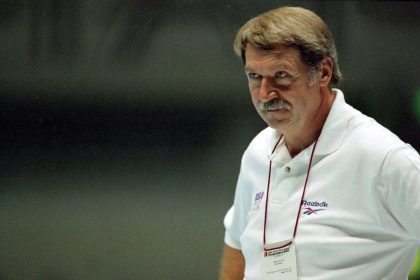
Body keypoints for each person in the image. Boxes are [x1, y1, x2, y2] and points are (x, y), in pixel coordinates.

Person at [219, 6, 420, 280]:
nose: (265, 93)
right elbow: (238, 245)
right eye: (255, 77)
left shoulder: (384, 158)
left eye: (281, 76)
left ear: (323, 72)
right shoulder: (257, 152)